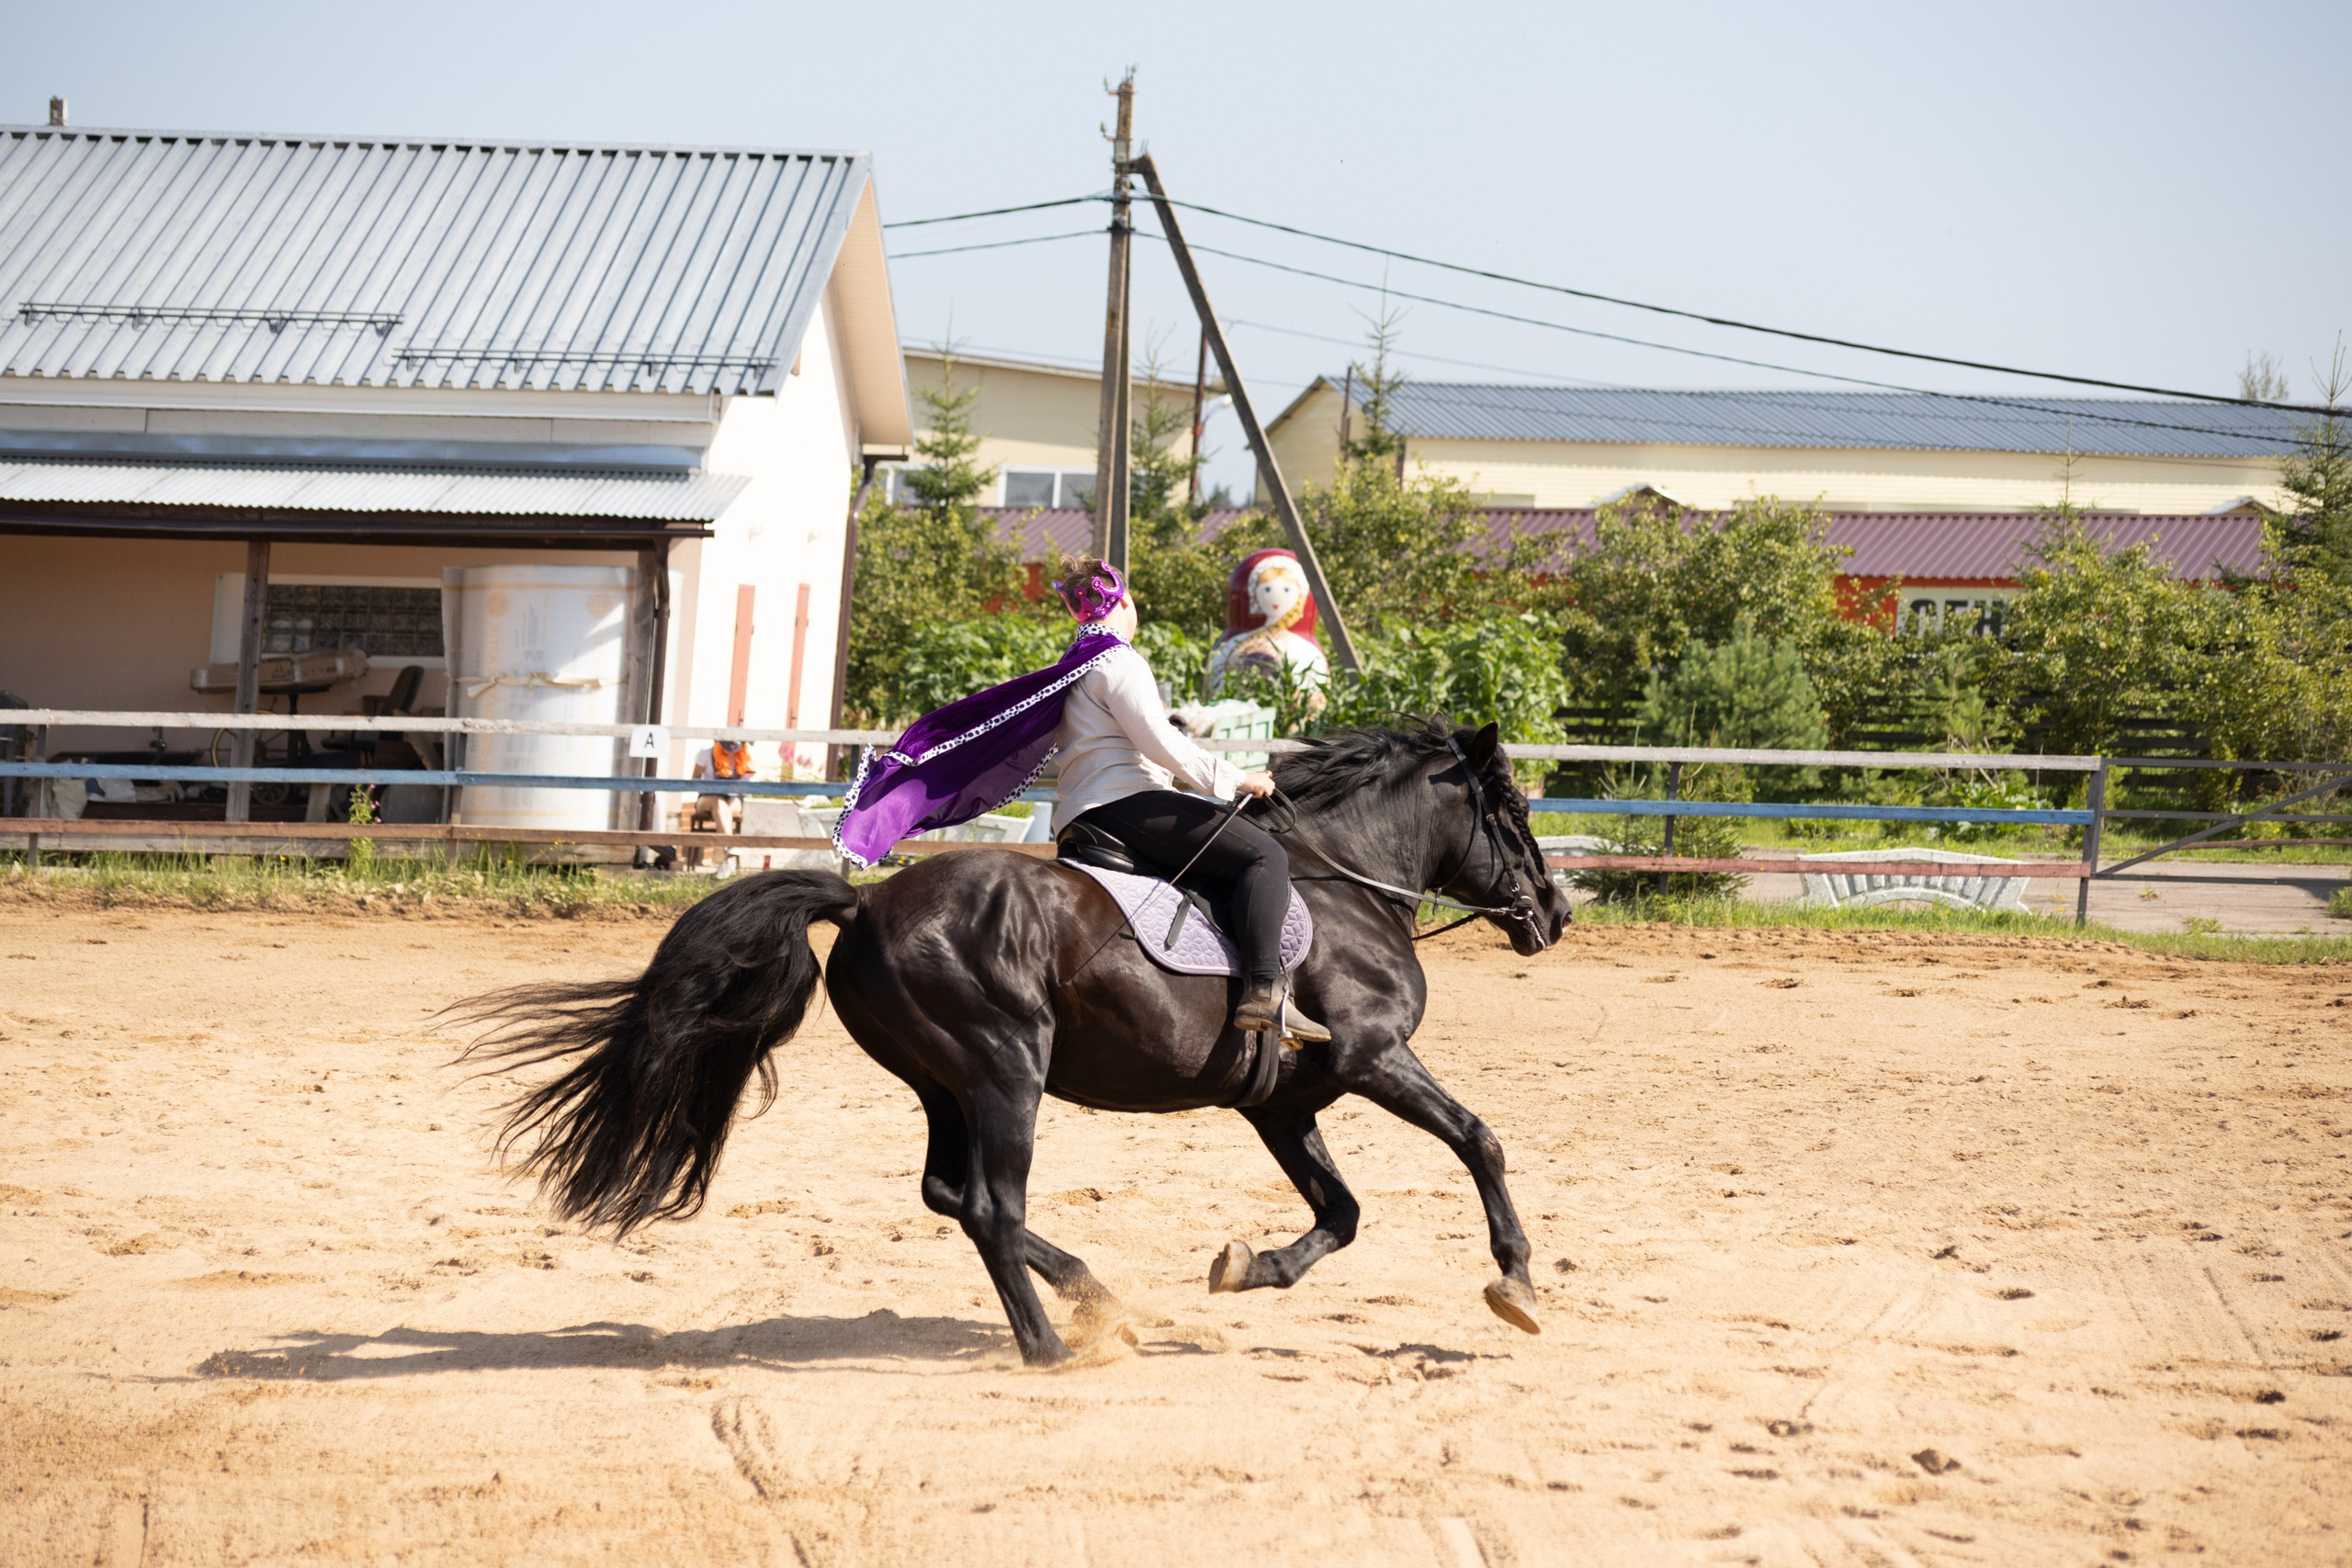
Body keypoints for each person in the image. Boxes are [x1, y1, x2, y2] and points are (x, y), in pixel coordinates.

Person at [1048, 555, 1329, 1044]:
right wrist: (1237, 779)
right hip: (1124, 802)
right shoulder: (1119, 661)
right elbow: (1161, 741)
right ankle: (1265, 989)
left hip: (1081, 809)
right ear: (1125, 603)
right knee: (1265, 854)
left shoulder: (1072, 665)